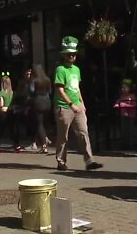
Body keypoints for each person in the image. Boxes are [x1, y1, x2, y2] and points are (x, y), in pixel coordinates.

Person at [54, 36, 103, 171]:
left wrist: (82, 103)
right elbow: (60, 89)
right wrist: (71, 105)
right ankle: (61, 161)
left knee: (83, 132)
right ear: (64, 55)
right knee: (63, 136)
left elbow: (77, 88)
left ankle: (89, 161)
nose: (72, 57)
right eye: (69, 54)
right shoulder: (60, 69)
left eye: (74, 54)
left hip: (77, 106)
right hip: (64, 107)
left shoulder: (76, 69)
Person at [31, 64, 51, 154]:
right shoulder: (47, 80)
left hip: (38, 101)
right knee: (44, 122)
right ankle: (45, 141)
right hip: (47, 101)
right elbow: (50, 91)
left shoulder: (34, 80)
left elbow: (31, 91)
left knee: (39, 124)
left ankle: (44, 143)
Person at [113, 79, 137, 151]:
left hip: (131, 115)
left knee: (130, 130)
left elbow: (134, 105)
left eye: (124, 88)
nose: (123, 89)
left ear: (129, 88)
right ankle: (124, 143)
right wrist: (117, 105)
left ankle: (130, 144)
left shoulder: (132, 96)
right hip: (123, 115)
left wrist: (125, 105)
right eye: (122, 88)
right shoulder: (122, 96)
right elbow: (118, 102)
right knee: (124, 129)